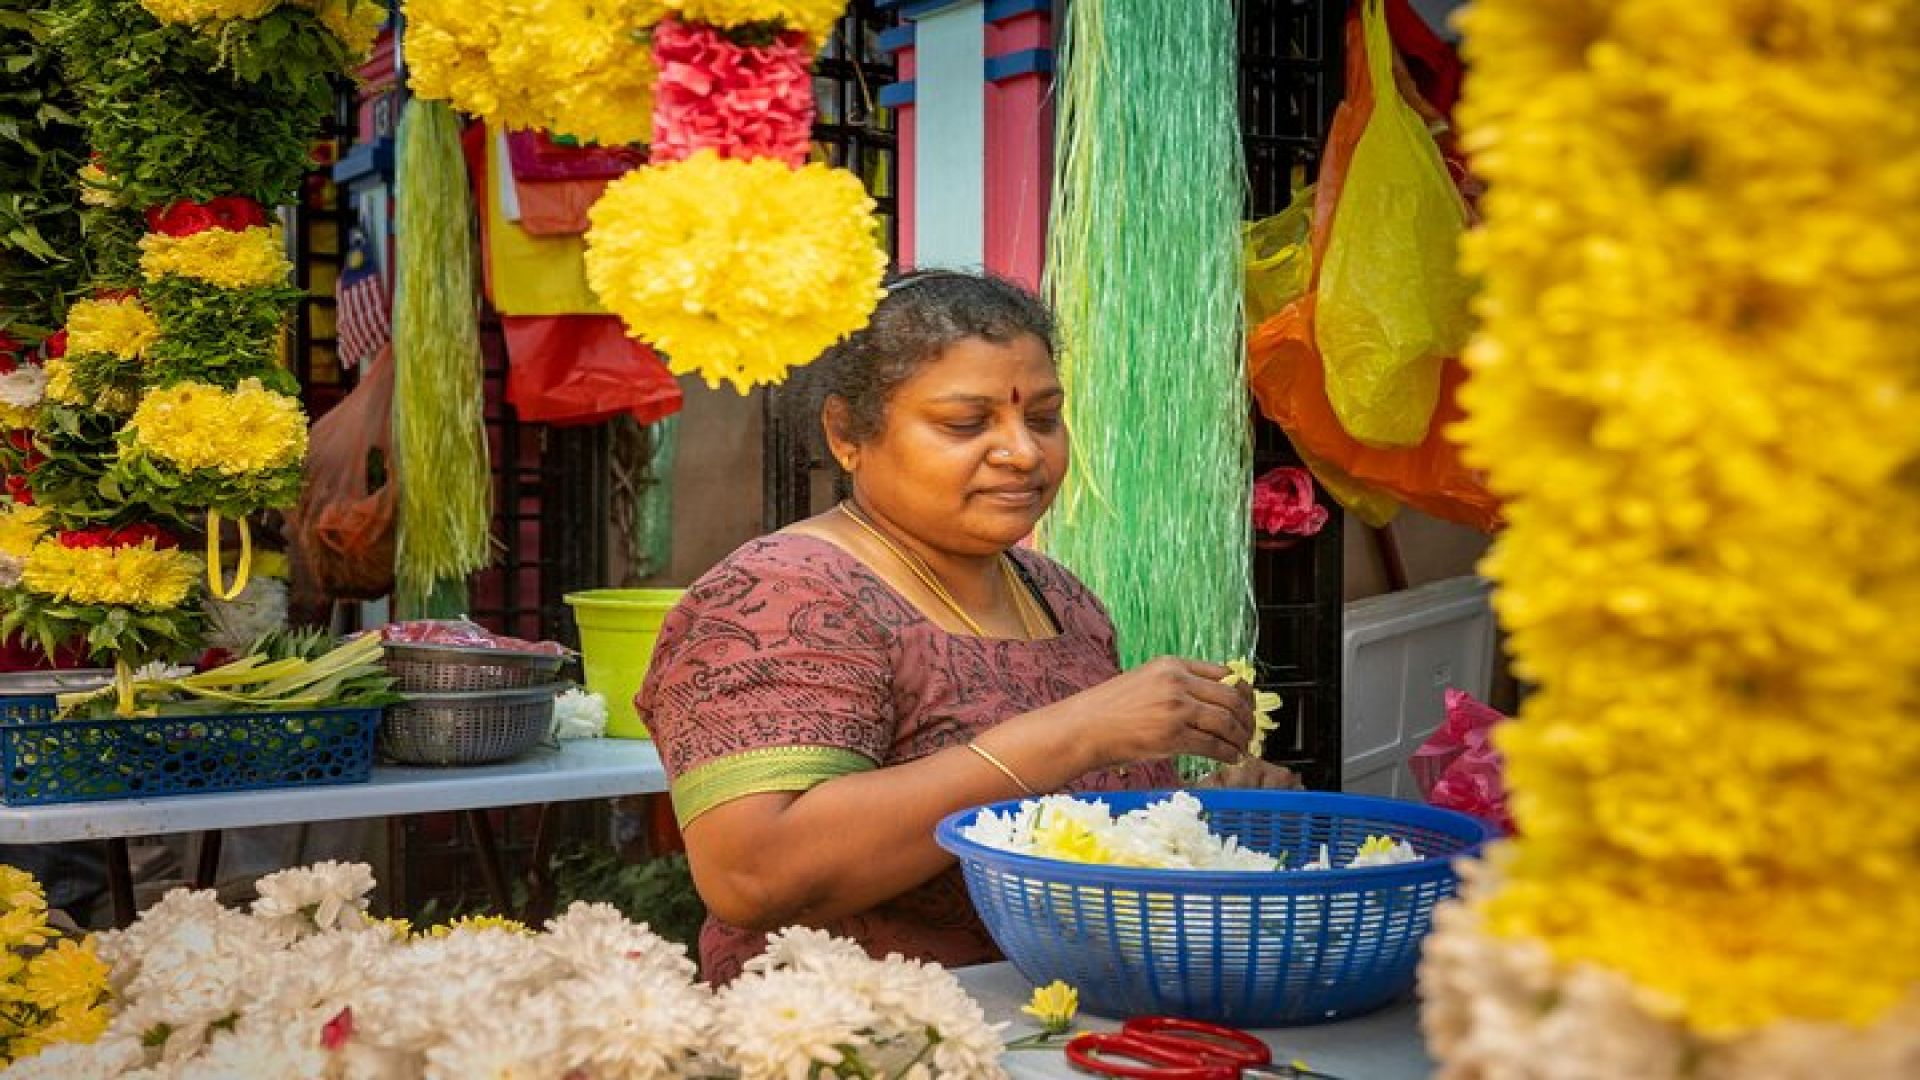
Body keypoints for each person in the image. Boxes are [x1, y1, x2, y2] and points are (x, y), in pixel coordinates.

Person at [636, 270, 1300, 982]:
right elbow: (753, 875)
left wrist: (1197, 817)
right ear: (846, 433)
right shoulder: (781, 594)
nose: (1023, 452)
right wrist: (1078, 731)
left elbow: (1069, 826)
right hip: (871, 1040)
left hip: (1075, 1025)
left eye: (1043, 417)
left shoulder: (1060, 599)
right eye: (966, 423)